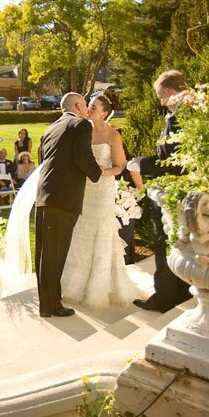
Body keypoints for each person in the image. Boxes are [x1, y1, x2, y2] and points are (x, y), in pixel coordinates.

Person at [58, 94, 142, 309]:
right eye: (89, 105)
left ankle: (99, 287)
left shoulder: (112, 135)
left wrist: (98, 173)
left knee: (101, 231)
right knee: (80, 229)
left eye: (94, 106)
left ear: (104, 113)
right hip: (82, 189)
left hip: (102, 188)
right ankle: (74, 284)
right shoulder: (80, 129)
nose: (90, 109)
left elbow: (120, 165)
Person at [129, 70, 193, 313]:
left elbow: (170, 162)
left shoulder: (176, 118)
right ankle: (179, 293)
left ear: (167, 92)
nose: (160, 102)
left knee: (163, 244)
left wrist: (139, 163)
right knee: (179, 244)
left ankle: (165, 298)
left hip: (171, 193)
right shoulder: (191, 114)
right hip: (185, 192)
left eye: (159, 97)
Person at [34, 93, 103, 318]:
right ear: (77, 105)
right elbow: (83, 157)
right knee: (55, 254)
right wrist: (98, 174)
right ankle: (49, 306)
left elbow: (44, 158)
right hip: (63, 198)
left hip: (45, 195)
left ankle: (51, 301)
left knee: (45, 254)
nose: (86, 111)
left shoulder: (52, 127)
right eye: (85, 106)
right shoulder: (80, 124)